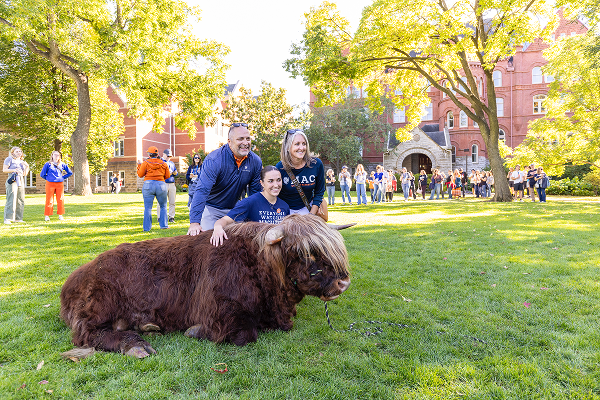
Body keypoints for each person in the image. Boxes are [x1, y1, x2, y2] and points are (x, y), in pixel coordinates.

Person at [188, 123, 262, 235]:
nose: (245, 143)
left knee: (242, 239)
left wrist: (255, 221)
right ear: (229, 142)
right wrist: (194, 223)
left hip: (233, 208)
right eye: (240, 139)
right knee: (206, 239)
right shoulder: (214, 160)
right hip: (208, 205)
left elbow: (255, 194)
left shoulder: (255, 161)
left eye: (248, 139)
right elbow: (202, 191)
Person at [210, 166, 291, 247]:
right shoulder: (250, 202)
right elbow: (225, 220)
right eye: (270, 181)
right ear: (262, 183)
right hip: (254, 251)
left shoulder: (284, 206)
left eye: (278, 180)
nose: (276, 185)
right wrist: (218, 227)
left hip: (276, 252)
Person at [276, 129, 325, 215]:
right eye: (297, 144)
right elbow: (274, 194)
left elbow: (319, 192)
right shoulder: (280, 167)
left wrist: (311, 216)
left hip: (308, 210)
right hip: (286, 212)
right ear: (288, 147)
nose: (301, 148)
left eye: (304, 144)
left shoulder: (316, 164)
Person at [137, 146, 170, 231]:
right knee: (163, 206)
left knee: (148, 207)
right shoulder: (163, 163)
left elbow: (140, 175)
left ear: (149, 154)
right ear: (157, 154)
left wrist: (139, 166)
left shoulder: (145, 163)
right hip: (161, 185)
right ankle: (164, 225)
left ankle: (147, 228)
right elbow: (167, 176)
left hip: (148, 185)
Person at [40, 150, 73, 221]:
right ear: (52, 156)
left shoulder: (62, 164)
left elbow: (70, 173)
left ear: (59, 156)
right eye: (55, 155)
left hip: (59, 184)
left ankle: (60, 215)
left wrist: (62, 177)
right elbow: (42, 174)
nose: (56, 156)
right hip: (50, 184)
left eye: (58, 155)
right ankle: (47, 215)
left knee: (60, 199)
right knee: (49, 199)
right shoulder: (48, 164)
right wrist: (49, 178)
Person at [3, 147, 28, 224]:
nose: (19, 152)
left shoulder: (22, 161)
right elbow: (4, 170)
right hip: (12, 178)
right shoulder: (9, 159)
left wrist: (27, 166)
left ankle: (18, 218)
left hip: (20, 179)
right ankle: (8, 219)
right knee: (11, 198)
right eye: (17, 151)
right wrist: (14, 170)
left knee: (20, 198)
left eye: (20, 151)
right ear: (12, 152)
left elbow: (24, 174)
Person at [157, 149, 177, 223]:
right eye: (168, 156)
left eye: (170, 156)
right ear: (164, 154)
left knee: (172, 202)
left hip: (172, 183)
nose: (169, 157)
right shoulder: (160, 162)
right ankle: (160, 217)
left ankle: (171, 217)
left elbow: (176, 172)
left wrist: (174, 173)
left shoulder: (171, 163)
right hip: (163, 183)